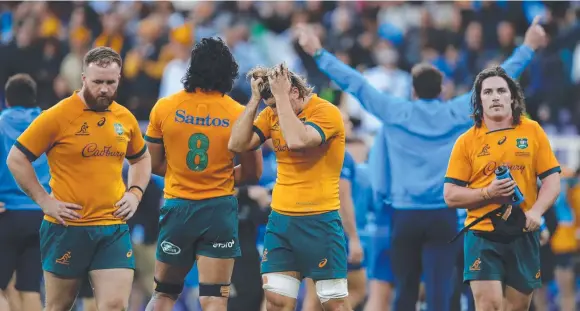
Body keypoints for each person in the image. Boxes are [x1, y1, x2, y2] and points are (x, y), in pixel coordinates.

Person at [295, 16, 546, 311]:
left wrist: (318, 52)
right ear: (441, 91)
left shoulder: (395, 111)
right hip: (443, 215)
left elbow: (356, 83)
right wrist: (528, 47)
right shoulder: (456, 112)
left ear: (412, 91)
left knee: (405, 290)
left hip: (403, 217)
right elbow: (502, 76)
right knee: (440, 292)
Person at [7, 47, 152, 311]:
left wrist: (135, 193)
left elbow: (141, 159)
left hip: (112, 227)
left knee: (115, 305)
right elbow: (16, 158)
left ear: (119, 78)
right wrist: (44, 201)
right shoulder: (58, 115)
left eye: (111, 82)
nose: (105, 89)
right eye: (98, 82)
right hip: (66, 228)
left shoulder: (125, 118)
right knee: (58, 306)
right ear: (83, 78)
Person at [144, 37, 262, 311]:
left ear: (191, 68)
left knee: (163, 293)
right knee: (213, 297)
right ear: (228, 74)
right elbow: (254, 172)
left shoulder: (164, 107)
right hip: (218, 211)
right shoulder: (238, 114)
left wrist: (182, 173)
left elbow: (151, 163)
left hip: (178, 207)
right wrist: (216, 176)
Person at [228, 63, 350, 311]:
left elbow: (297, 140)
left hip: (320, 221)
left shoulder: (326, 112)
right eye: (269, 104)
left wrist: (280, 98)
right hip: (281, 222)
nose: (272, 110)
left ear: (294, 91)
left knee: (334, 305)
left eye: (274, 103)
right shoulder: (273, 112)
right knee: (276, 302)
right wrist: (254, 101)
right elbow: (238, 144)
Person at [443, 66, 561, 310]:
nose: (495, 97)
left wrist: (537, 212)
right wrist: (488, 193)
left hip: (523, 232)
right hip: (481, 233)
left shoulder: (532, 131)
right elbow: (450, 195)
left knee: (515, 307)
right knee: (490, 304)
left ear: (512, 97)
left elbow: (552, 181)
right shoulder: (466, 141)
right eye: (487, 92)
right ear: (479, 100)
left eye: (500, 91)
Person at [0, 74, 48, 311]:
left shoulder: (0, 123)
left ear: (7, 101)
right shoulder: (49, 123)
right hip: (43, 215)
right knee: (29, 289)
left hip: (6, 213)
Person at [303, 150, 367, 310]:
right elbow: (341, 197)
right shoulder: (339, 153)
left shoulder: (306, 150)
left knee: (315, 297)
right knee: (351, 291)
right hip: (329, 232)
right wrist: (353, 238)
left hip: (305, 227)